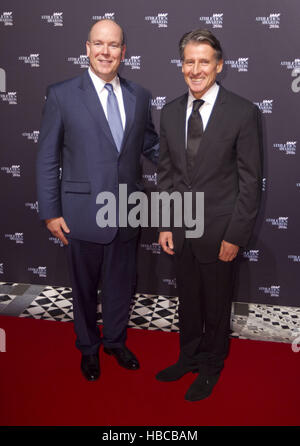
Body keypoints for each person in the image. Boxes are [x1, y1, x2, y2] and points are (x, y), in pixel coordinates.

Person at [36, 19, 159, 381]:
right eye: (99, 44)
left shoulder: (140, 95)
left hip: (127, 210)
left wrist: (192, 160)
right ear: (87, 48)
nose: (106, 52)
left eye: (114, 45)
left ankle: (116, 342)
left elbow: (149, 144)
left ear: (124, 52)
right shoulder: (61, 94)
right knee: (84, 288)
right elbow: (47, 157)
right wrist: (50, 211)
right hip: (80, 212)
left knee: (123, 284)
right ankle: (88, 348)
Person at [156, 29, 262, 401]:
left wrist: (235, 235)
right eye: (189, 61)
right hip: (182, 231)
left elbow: (250, 182)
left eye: (204, 61)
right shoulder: (169, 112)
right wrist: (166, 224)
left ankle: (210, 366)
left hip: (220, 233)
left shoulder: (243, 112)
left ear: (218, 65)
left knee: (216, 304)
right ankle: (188, 357)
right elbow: (166, 175)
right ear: (181, 65)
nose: (196, 69)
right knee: (188, 300)